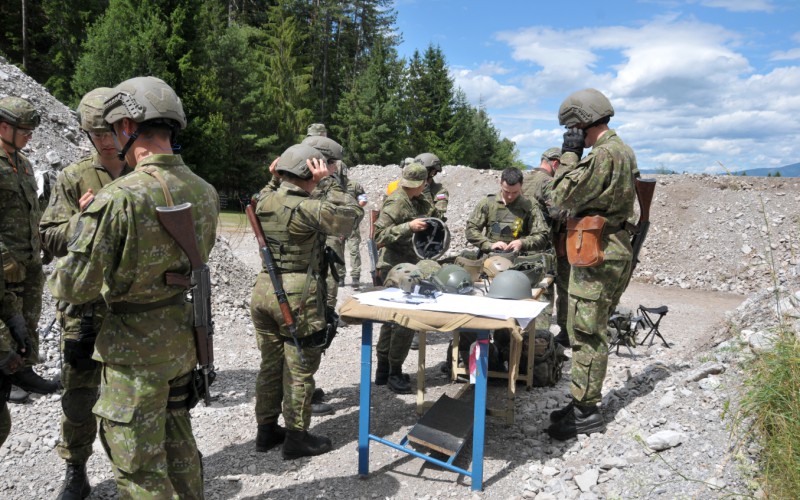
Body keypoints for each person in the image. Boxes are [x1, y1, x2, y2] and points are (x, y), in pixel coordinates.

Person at [48, 76, 219, 498]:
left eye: (114, 128)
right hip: (180, 342)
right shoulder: (206, 192)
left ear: (127, 126)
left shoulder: (119, 198)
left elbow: (72, 287)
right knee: (180, 452)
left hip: (132, 352)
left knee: (139, 469)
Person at [39, 87, 132, 499]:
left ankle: (133, 469)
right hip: (85, 308)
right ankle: (75, 469)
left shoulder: (142, 172)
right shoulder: (73, 177)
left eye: (112, 132)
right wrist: (84, 219)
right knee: (79, 395)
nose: (107, 141)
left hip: (131, 305)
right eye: (98, 134)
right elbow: (50, 237)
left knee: (133, 394)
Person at [250, 143, 361, 459]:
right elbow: (350, 217)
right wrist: (329, 182)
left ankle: (266, 431)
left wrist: (274, 178)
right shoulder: (307, 208)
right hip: (298, 297)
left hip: (264, 290)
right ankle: (297, 438)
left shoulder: (264, 199)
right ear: (309, 173)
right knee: (299, 369)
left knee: (270, 366)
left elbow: (264, 192)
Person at [546, 88, 637, 441]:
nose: (572, 135)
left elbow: (559, 196)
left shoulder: (602, 155)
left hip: (597, 251)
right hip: (613, 248)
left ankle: (585, 412)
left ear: (581, 123)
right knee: (592, 327)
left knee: (586, 332)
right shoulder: (623, 151)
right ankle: (581, 401)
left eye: (572, 130)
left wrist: (570, 155)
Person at [0, 96, 60, 400]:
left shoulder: (22, 164)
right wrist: (3, 257)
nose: (29, 136)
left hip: (29, 258)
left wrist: (41, 240)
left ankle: (24, 372)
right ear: (3, 127)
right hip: (7, 262)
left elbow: (30, 209)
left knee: (29, 317)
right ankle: (6, 377)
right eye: (24, 130)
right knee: (6, 321)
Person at [373, 162, 432, 394]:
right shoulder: (397, 202)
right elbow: (378, 236)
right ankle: (393, 371)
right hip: (395, 269)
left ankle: (384, 370)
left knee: (393, 321)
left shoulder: (417, 199)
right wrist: (408, 227)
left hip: (409, 265)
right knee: (402, 322)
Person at [524, 147, 572, 347]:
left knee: (529, 288)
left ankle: (525, 333)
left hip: (524, 245)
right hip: (546, 245)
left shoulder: (524, 179)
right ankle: (542, 340)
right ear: (555, 164)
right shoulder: (547, 182)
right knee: (550, 289)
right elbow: (557, 213)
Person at [465, 167, 550, 256]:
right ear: (500, 183)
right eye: (506, 192)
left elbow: (542, 235)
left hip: (518, 258)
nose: (510, 196)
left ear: (521, 185)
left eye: (515, 192)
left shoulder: (530, 205)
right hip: (492, 256)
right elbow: (471, 229)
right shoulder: (488, 203)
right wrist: (489, 245)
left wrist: (522, 243)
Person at [343, 174, 367, 287]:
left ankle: (355, 276)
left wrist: (355, 210)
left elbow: (363, 200)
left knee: (354, 249)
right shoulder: (330, 185)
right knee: (337, 250)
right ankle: (339, 277)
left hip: (352, 222)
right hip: (335, 223)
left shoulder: (354, 185)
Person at [415, 152, 448, 221]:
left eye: (422, 171)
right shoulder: (410, 188)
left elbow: (438, 218)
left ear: (433, 172)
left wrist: (426, 192)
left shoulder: (440, 192)